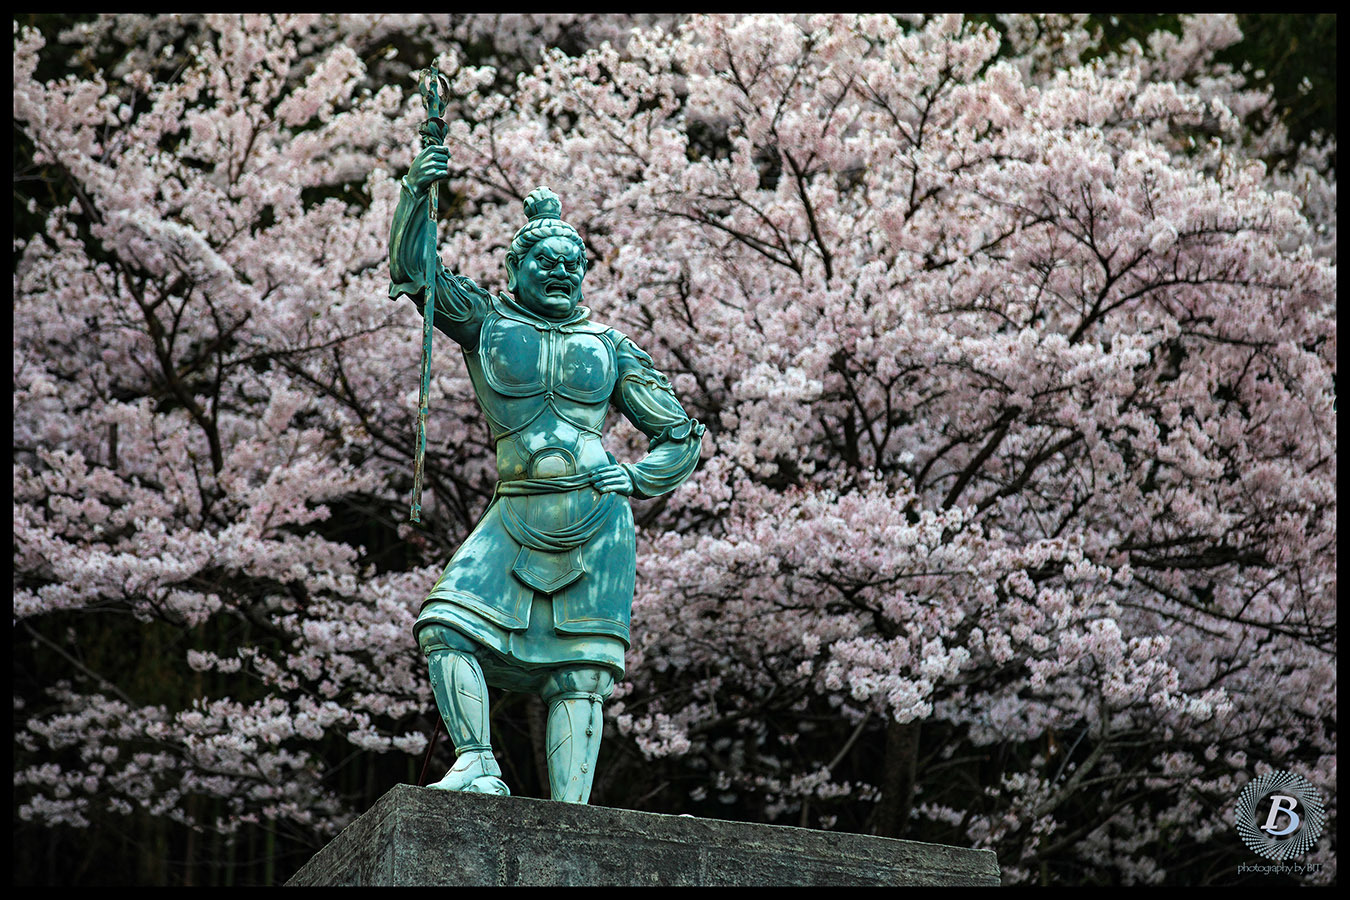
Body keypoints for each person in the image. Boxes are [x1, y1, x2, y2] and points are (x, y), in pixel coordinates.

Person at [388, 141, 705, 803]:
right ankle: (477, 759)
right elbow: (417, 273)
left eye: (572, 264)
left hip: (598, 514)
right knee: (445, 625)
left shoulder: (609, 346)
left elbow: (679, 433)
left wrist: (641, 476)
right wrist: (416, 194)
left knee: (579, 672)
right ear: (517, 266)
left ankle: (571, 810)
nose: (560, 272)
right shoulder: (486, 321)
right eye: (546, 261)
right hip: (518, 503)